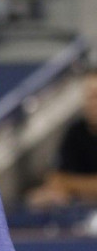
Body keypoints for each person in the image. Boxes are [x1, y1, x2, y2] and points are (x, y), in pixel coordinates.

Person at [25, 68, 97, 210]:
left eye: (96, 96)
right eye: (88, 96)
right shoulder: (76, 131)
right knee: (38, 199)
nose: (92, 103)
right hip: (80, 208)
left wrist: (71, 185)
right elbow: (56, 178)